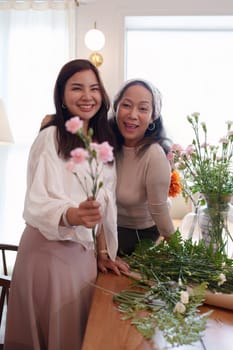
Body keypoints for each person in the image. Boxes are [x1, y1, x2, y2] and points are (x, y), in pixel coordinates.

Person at [4, 59, 128, 350]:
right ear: (61, 95)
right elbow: (35, 203)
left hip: (83, 258)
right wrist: (72, 214)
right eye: (77, 88)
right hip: (47, 254)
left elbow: (104, 205)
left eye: (94, 88)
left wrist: (101, 251)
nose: (87, 96)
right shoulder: (50, 138)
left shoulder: (103, 143)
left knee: (77, 334)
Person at [109, 79, 175, 255]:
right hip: (106, 225)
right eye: (127, 105)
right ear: (116, 108)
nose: (132, 114)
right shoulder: (104, 144)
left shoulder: (154, 155)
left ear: (153, 116)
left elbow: (159, 209)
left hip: (138, 233)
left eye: (143, 108)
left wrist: (179, 251)